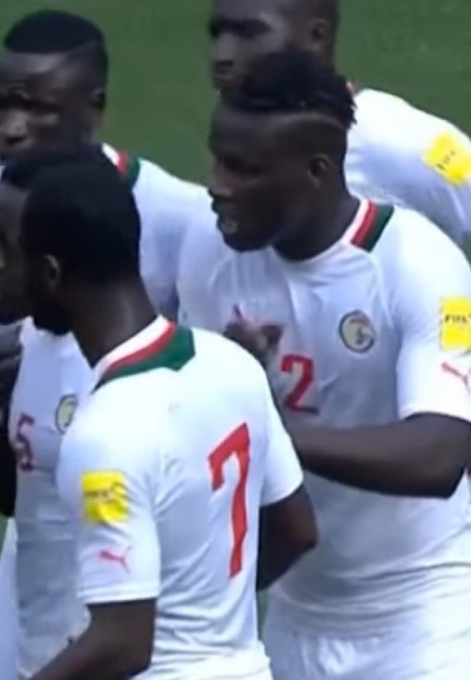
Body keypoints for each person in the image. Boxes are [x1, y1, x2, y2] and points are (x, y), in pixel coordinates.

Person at [0, 11, 211, 678]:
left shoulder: (177, 217)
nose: (11, 126)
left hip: (149, 532)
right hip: (38, 519)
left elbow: (192, 390)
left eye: (37, 109)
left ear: (96, 108)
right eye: (2, 104)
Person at [0, 145, 317, 679]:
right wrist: (202, 618)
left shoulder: (104, 432)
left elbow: (122, 644)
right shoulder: (230, 364)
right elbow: (296, 529)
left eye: (1, 244)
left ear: (50, 272)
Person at [179, 51, 471, 679]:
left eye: (243, 168)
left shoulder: (417, 266)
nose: (216, 183)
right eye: (218, 157)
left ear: (317, 171)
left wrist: (267, 424)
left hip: (429, 615)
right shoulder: (209, 251)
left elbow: (440, 453)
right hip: (295, 616)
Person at [207, 0, 471, 246]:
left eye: (248, 33)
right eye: (218, 34)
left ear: (317, 37)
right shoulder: (234, 142)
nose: (222, 55)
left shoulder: (400, 141)